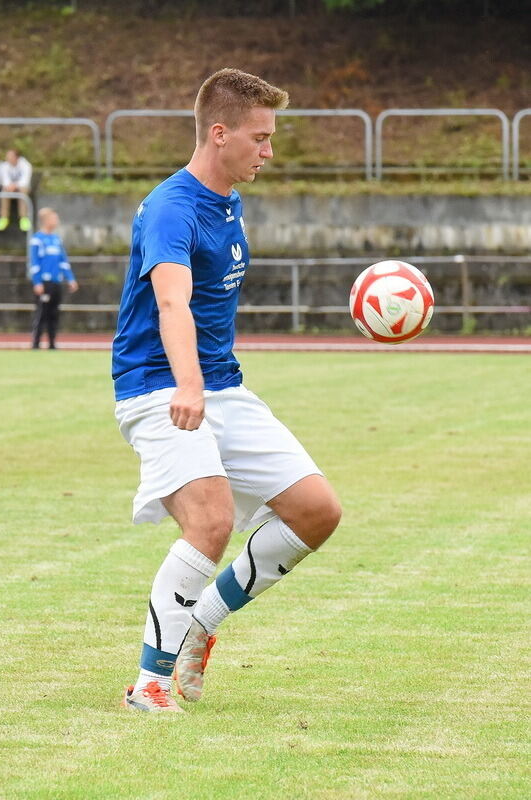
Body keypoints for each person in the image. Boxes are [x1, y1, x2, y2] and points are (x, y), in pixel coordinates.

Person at [112, 68, 341, 713]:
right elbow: (172, 302)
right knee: (211, 523)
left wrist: (208, 385)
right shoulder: (171, 208)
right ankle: (150, 684)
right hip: (159, 387)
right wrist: (188, 384)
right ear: (220, 133)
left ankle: (199, 629)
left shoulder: (230, 200)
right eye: (260, 137)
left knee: (317, 510)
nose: (269, 150)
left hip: (223, 388)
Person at [28, 208, 77, 350]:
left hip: (56, 282)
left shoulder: (56, 239)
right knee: (41, 313)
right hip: (44, 282)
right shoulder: (37, 240)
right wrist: (37, 282)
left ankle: (52, 343)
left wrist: (70, 279)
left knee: (54, 313)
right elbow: (34, 263)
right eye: (54, 218)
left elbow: (63, 261)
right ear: (46, 220)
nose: (57, 221)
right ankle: (36, 343)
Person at [0, 148, 33, 232]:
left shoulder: (26, 165)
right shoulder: (4, 166)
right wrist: (9, 186)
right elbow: (5, 181)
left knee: (23, 191)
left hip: (23, 188)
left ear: (16, 157)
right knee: (4, 192)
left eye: (10, 156)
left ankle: (24, 218)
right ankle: (4, 218)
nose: (8, 158)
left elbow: (25, 181)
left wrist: (15, 185)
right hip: (10, 189)